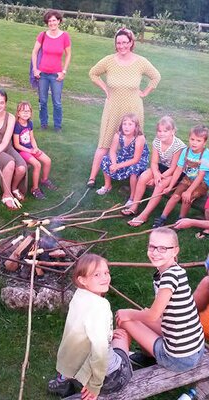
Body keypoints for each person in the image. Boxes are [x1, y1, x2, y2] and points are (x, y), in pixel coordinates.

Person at [116, 227, 205, 372]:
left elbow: (153, 315)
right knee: (142, 314)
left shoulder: (169, 278)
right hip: (195, 348)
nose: (156, 252)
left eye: (163, 248)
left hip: (178, 359)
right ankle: (147, 356)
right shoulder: (177, 271)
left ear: (175, 251)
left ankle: (120, 367)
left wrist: (129, 312)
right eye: (152, 247)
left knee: (124, 318)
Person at [48, 253, 132, 399]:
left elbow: (86, 329)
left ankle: (63, 381)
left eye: (106, 272)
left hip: (76, 372)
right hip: (109, 379)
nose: (105, 278)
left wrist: (108, 333)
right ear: (83, 279)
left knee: (111, 337)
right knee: (124, 333)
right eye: (97, 275)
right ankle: (135, 358)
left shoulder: (79, 296)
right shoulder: (101, 307)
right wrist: (95, 386)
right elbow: (100, 352)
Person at [87, 28, 161, 188]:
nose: (122, 46)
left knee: (133, 144)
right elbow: (93, 73)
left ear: (131, 43)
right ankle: (92, 178)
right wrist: (105, 88)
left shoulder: (140, 62)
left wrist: (145, 92)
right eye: (119, 43)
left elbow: (156, 76)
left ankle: (134, 177)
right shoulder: (108, 61)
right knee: (105, 143)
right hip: (113, 108)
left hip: (133, 109)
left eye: (125, 42)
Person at [125, 116, 186, 227]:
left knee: (159, 184)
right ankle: (134, 206)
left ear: (173, 131)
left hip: (176, 171)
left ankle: (144, 215)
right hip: (161, 167)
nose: (161, 133)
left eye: (165, 131)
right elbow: (154, 163)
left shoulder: (178, 146)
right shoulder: (157, 142)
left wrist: (157, 178)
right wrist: (156, 174)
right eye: (159, 131)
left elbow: (173, 168)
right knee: (143, 177)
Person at [152, 125, 209, 228]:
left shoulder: (206, 155)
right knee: (175, 195)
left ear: (204, 143)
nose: (194, 142)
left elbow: (200, 176)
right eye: (192, 139)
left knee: (187, 197)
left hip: (202, 183)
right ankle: (163, 217)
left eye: (198, 140)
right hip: (188, 179)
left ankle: (181, 220)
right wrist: (170, 186)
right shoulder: (186, 151)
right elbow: (178, 170)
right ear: (189, 138)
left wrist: (189, 191)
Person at [31, 9, 71, 133]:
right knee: (42, 101)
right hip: (42, 74)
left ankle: (57, 126)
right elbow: (34, 52)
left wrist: (63, 71)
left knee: (57, 102)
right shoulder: (42, 35)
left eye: (54, 20)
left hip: (56, 75)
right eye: (49, 21)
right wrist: (35, 69)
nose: (52, 23)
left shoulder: (65, 36)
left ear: (59, 21)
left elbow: (68, 54)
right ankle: (44, 124)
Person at [96, 113, 149, 201]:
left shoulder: (140, 138)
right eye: (124, 124)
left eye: (130, 124)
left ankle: (132, 197)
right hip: (125, 155)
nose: (126, 127)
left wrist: (117, 166)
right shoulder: (118, 134)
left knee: (134, 169)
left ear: (136, 127)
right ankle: (107, 186)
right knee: (105, 159)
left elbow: (136, 159)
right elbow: (112, 151)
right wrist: (114, 163)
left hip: (139, 160)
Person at [13, 101, 57, 200]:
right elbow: (16, 145)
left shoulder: (30, 123)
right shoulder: (17, 126)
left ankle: (44, 180)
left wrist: (35, 148)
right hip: (21, 151)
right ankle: (35, 188)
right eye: (23, 111)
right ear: (18, 113)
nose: (26, 113)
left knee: (47, 160)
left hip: (31, 148)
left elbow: (32, 138)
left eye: (28, 111)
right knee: (37, 165)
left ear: (31, 113)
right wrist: (30, 151)